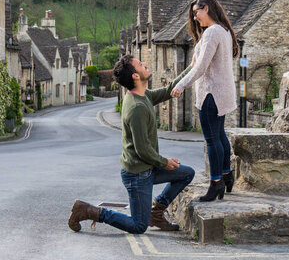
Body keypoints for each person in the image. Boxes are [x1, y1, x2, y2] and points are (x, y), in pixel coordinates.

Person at [68, 55, 195, 234]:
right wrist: (165, 161)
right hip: (137, 175)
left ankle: (156, 214)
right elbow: (142, 150)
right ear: (135, 76)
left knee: (186, 173)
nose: (145, 64)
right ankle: (89, 211)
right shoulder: (137, 107)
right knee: (138, 226)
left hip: (148, 168)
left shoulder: (143, 96)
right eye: (141, 65)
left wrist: (193, 67)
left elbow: (168, 90)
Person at [171, 0, 239, 202]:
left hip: (211, 94)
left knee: (212, 140)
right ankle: (227, 175)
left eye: (196, 12)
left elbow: (200, 68)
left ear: (206, 8)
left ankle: (216, 182)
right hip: (223, 92)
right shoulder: (224, 31)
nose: (195, 17)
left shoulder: (211, 33)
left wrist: (180, 85)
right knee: (220, 136)